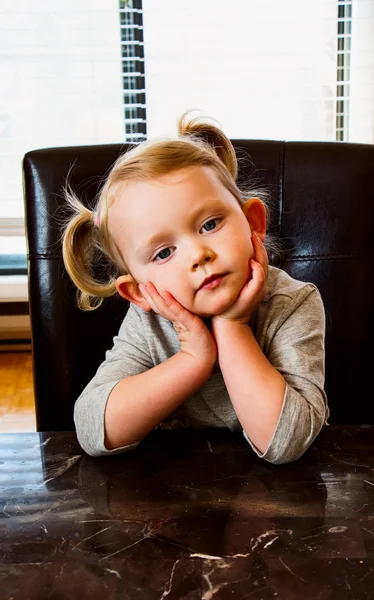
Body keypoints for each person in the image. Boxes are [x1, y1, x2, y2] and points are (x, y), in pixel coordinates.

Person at [62, 111, 329, 464]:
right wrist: (194, 359)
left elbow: (287, 442)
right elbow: (92, 429)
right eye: (164, 252)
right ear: (140, 293)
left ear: (253, 223)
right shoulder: (151, 322)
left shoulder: (292, 303)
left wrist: (232, 327)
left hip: (276, 500)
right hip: (175, 493)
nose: (198, 255)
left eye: (209, 224)